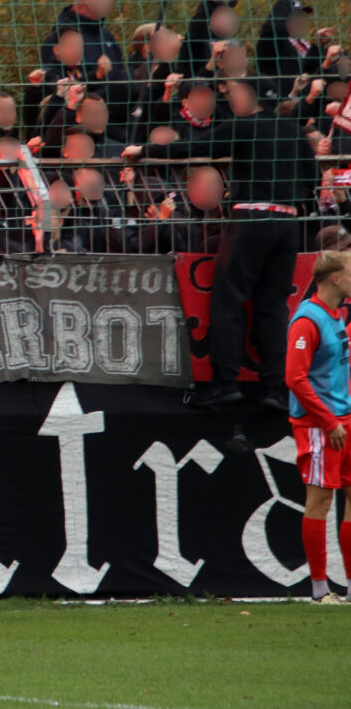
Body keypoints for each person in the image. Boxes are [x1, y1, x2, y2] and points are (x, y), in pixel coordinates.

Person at [125, 77, 319, 409]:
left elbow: (198, 146)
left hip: (250, 220)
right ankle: (275, 388)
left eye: (232, 95)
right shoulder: (292, 131)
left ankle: (225, 383)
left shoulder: (245, 126)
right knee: (272, 307)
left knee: (228, 301)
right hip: (288, 224)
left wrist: (145, 150)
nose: (228, 102)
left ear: (248, 96)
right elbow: (312, 179)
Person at [285, 251, 351, 603]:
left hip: (344, 418)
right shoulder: (306, 321)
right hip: (319, 424)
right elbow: (295, 379)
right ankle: (320, 589)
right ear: (335, 279)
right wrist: (328, 422)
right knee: (320, 502)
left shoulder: (336, 314)